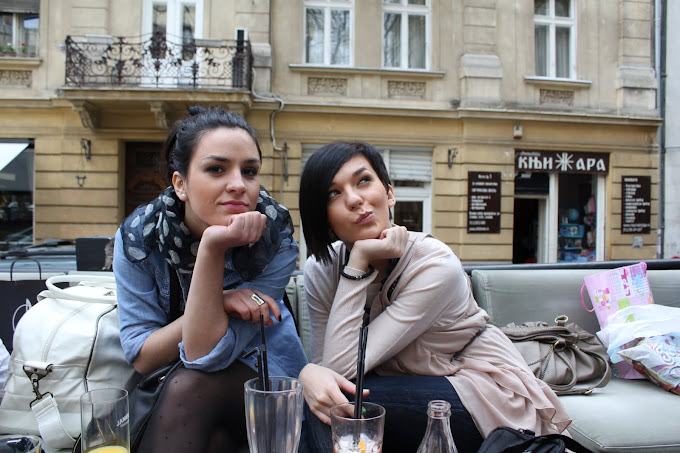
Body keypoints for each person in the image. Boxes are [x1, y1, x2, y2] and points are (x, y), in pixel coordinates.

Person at [297, 141, 572, 453]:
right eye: (333, 194)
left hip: (480, 390)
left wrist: (358, 262)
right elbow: (327, 372)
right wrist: (308, 373)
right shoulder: (321, 269)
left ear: (389, 194)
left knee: (339, 405)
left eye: (363, 181)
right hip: (401, 389)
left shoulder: (435, 264)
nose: (354, 199)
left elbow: (341, 370)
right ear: (323, 218)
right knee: (324, 400)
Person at [113, 105, 307, 453]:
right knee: (213, 440)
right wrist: (219, 302)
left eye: (250, 171)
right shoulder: (140, 239)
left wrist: (213, 246)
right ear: (181, 184)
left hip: (265, 374)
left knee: (191, 385)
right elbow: (142, 355)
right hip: (177, 384)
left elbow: (205, 356)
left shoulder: (275, 238)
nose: (238, 184)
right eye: (216, 169)